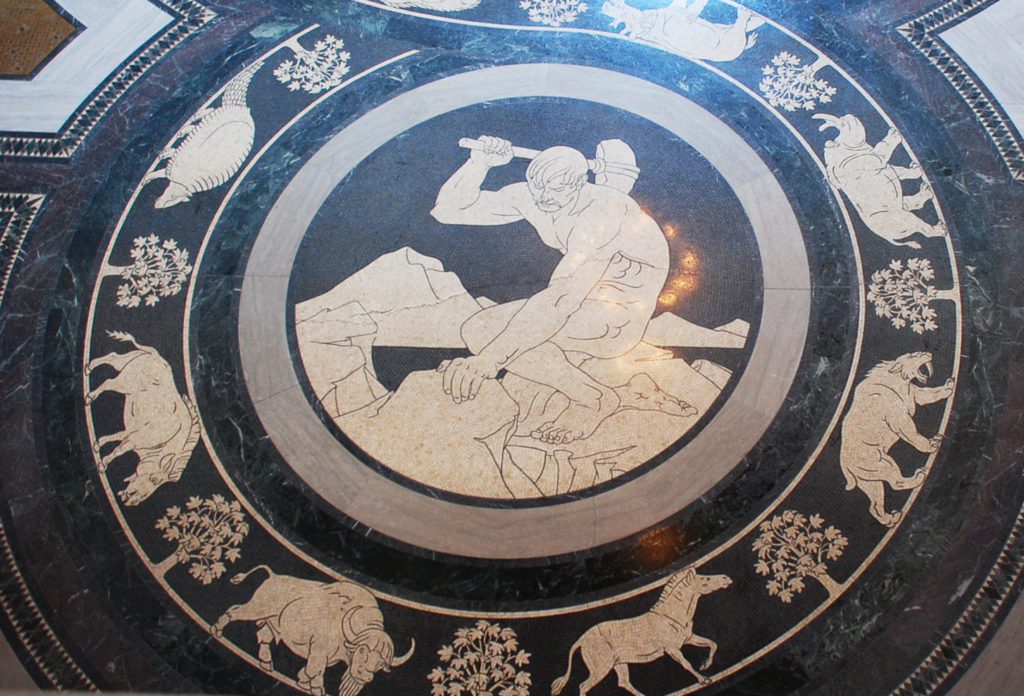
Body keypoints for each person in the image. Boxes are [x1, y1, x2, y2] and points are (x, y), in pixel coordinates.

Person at [430, 135, 670, 443]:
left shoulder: (603, 213)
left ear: (580, 183)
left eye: (557, 187)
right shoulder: (534, 195)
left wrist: (490, 360)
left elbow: (564, 297)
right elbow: (448, 210)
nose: (544, 197)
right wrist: (479, 164)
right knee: (478, 329)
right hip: (580, 303)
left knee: (494, 343)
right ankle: (592, 394)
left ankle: (594, 401)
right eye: (538, 186)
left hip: (617, 315)